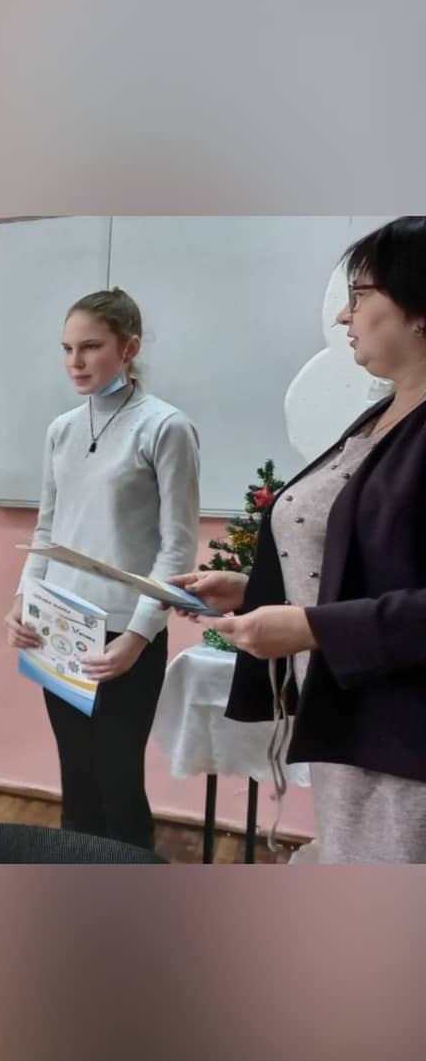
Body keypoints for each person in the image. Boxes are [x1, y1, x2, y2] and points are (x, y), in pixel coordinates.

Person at [167, 217, 426, 863]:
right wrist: (250, 591)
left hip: (408, 744)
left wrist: (312, 627)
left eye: (360, 296)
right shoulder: (380, 416)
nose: (344, 316)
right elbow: (368, 555)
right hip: (351, 723)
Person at [4, 288, 200, 852]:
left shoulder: (165, 427)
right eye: (67, 349)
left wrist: (138, 636)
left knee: (118, 778)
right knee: (77, 777)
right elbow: (47, 530)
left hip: (124, 635)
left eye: (90, 347)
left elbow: (177, 549)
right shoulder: (61, 429)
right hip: (58, 624)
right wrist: (23, 600)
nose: (76, 362)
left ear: (129, 347)